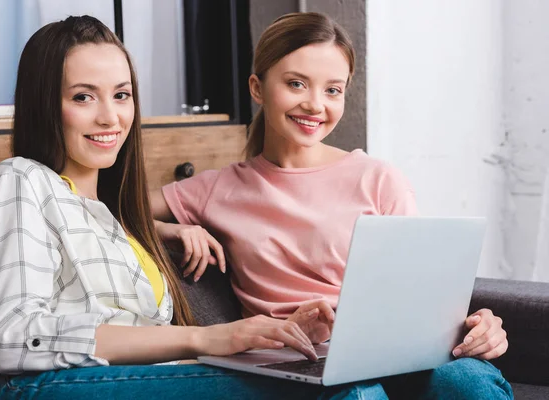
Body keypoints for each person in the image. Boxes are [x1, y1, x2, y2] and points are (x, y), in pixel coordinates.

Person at [0, 15, 388, 400]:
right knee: (338, 387)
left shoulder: (117, 222)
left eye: (121, 95)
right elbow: (14, 340)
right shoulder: (20, 179)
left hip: (137, 380)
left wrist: (162, 229)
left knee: (344, 381)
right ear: (45, 103)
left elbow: (107, 221)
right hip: (41, 386)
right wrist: (207, 337)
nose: (110, 118)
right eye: (83, 97)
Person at [151, 12, 513, 399]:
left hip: (395, 354)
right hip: (298, 363)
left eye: (332, 90)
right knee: (358, 393)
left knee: (467, 383)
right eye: (296, 84)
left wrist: (480, 323)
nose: (314, 105)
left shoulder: (377, 179)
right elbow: (108, 208)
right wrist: (171, 228)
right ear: (257, 87)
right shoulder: (218, 188)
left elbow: (426, 291)